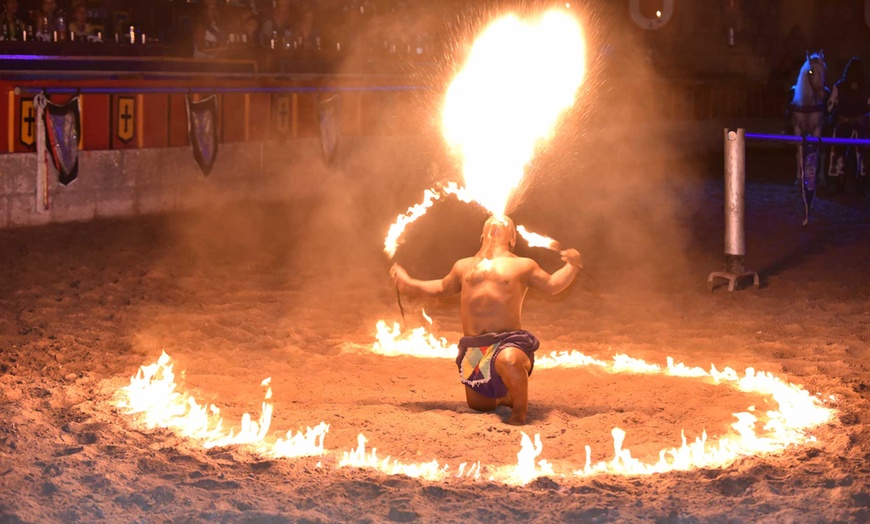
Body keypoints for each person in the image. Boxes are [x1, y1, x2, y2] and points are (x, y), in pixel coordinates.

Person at [390, 215, 583, 425]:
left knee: (508, 361)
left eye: (505, 224)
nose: (497, 222)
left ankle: (519, 411)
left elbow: (553, 284)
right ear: (482, 234)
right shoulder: (463, 266)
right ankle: (506, 395)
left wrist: (572, 266)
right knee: (480, 405)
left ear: (513, 239)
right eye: (490, 222)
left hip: (508, 342)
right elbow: (442, 287)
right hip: (475, 348)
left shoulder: (523, 265)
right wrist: (409, 283)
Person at [827, 57, 869, 194]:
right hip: (848, 124)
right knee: (856, 154)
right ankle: (856, 183)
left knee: (850, 154)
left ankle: (844, 181)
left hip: (851, 124)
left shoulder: (840, 86)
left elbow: (830, 107)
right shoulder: (863, 87)